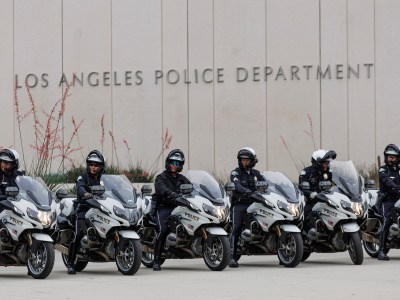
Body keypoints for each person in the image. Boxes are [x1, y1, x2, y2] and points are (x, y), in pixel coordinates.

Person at [66, 150, 106, 274]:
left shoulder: (103, 179)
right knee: (78, 234)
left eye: (96, 165)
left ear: (101, 167)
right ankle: (70, 263)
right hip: (83, 209)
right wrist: (85, 193)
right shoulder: (82, 177)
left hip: (98, 209)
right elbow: (80, 187)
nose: (93, 167)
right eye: (91, 164)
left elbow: (111, 190)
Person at [151, 149, 191, 271]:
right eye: (173, 162)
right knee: (163, 230)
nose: (175, 165)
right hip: (164, 207)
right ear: (168, 163)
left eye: (178, 163)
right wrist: (172, 194)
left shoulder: (182, 179)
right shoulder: (161, 177)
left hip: (179, 207)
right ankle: (156, 260)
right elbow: (161, 188)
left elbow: (192, 188)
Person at [229, 147, 265, 268]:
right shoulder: (236, 172)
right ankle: (232, 257)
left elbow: (266, 184)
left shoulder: (257, 174)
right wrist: (246, 191)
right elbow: (236, 185)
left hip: (255, 203)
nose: (245, 162)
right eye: (243, 160)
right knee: (237, 227)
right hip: (240, 204)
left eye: (247, 160)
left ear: (253, 161)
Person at [298, 149, 337, 235]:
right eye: (325, 163)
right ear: (318, 162)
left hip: (327, 201)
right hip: (312, 202)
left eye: (328, 163)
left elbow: (339, 181)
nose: (327, 165)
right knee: (303, 216)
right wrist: (311, 193)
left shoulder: (329, 173)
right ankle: (302, 237)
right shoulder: (307, 172)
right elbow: (301, 186)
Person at [377, 144, 400, 261]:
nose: (392, 159)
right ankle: (381, 251)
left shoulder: (399, 170)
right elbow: (386, 181)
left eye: (394, 157)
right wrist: (396, 188)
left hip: (398, 199)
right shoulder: (383, 170)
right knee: (387, 221)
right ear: (386, 157)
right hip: (388, 200)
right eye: (390, 157)